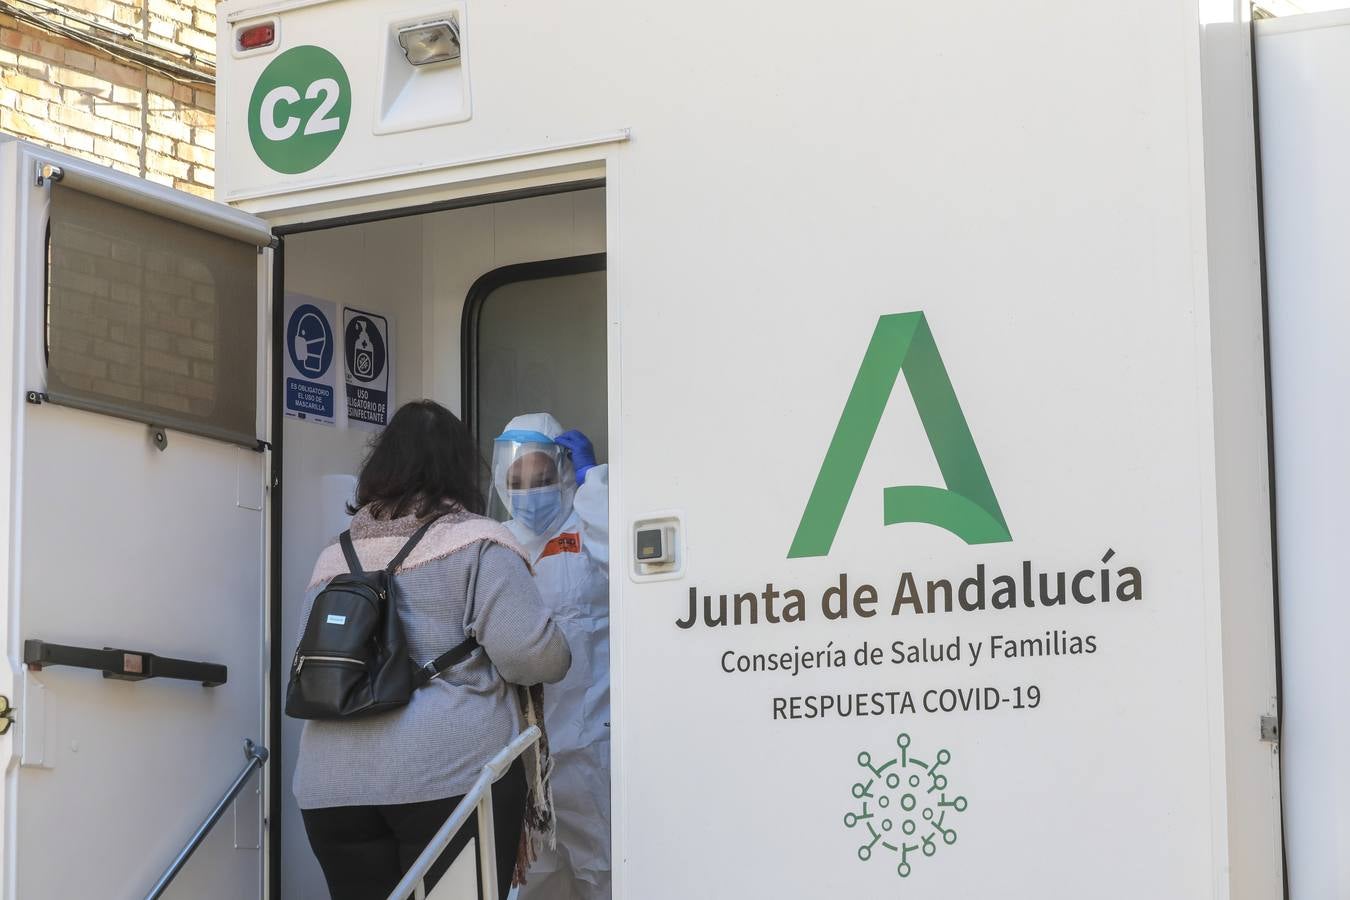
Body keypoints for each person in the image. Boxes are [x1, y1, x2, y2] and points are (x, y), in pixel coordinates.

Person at [292, 400, 571, 900]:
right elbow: (532, 656)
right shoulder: (477, 541)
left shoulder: (334, 557)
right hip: (445, 780)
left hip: (330, 788)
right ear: (460, 468)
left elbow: (308, 660)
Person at [492, 413, 611, 900]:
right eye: (517, 480)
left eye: (541, 477)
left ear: (562, 472)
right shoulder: (496, 541)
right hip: (527, 763)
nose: (529, 491)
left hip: (593, 751)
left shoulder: (589, 527)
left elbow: (632, 557)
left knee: (608, 877)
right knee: (531, 885)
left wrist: (594, 485)